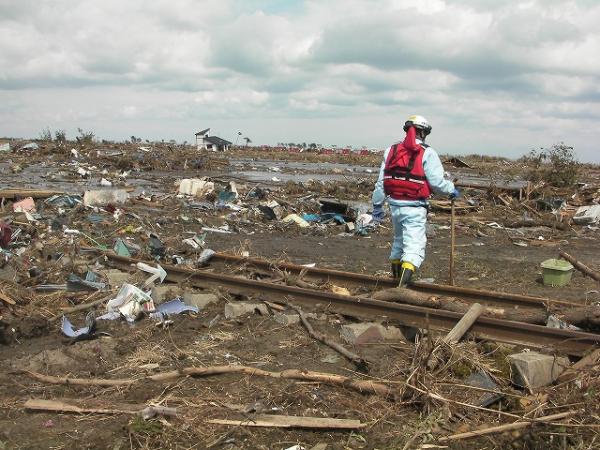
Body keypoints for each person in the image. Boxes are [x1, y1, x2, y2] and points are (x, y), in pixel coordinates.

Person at [371, 114, 459, 286]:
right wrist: (452, 190)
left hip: (394, 206)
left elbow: (381, 181)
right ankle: (402, 286)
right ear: (424, 133)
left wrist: (377, 205)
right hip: (415, 207)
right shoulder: (428, 152)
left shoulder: (391, 150)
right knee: (414, 245)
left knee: (399, 241)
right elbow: (437, 183)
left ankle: (395, 279)